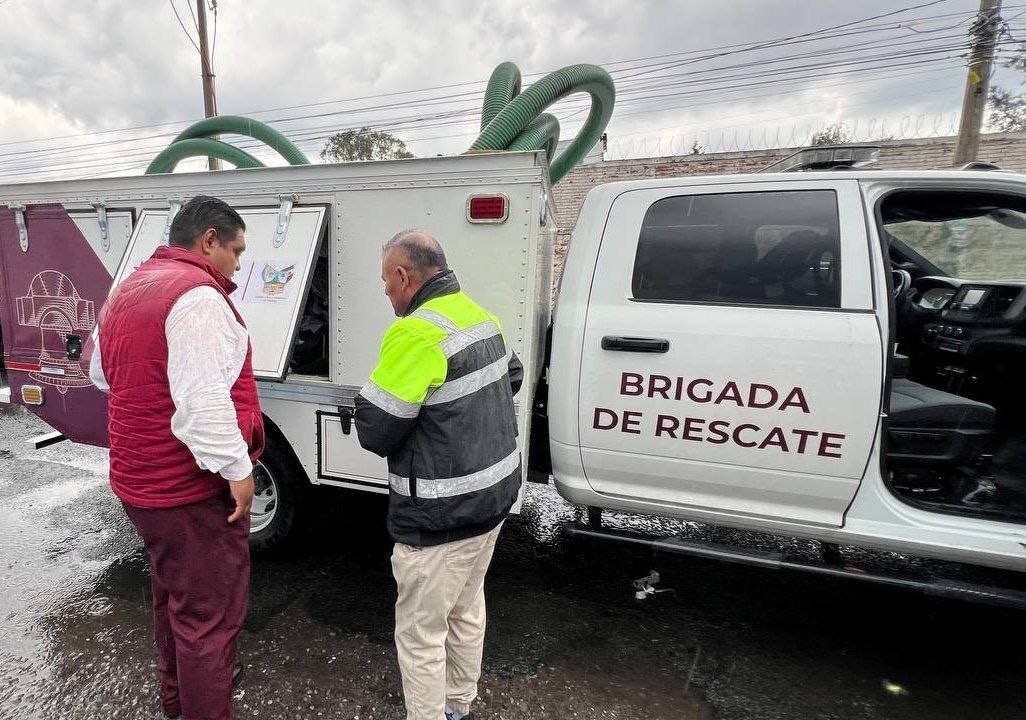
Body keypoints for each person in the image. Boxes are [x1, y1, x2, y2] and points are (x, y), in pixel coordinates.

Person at [89, 195, 262, 720]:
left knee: (174, 604)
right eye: (236, 250)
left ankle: (176, 704)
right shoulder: (197, 297)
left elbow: (102, 375)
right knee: (208, 622)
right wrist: (240, 471)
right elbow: (205, 405)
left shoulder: (130, 289)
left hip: (139, 485)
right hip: (186, 493)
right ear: (209, 239)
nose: (237, 264)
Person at [354, 230, 523, 720]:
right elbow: (508, 377)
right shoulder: (479, 316)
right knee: (467, 610)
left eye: (386, 281)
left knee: (420, 635)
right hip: (491, 504)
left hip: (438, 517)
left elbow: (377, 428)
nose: (385, 292)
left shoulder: (415, 332)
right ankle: (459, 706)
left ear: (405, 276)